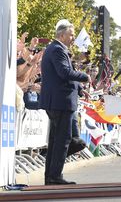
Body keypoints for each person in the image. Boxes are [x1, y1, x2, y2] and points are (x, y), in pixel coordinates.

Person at [39, 19, 91, 185]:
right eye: (71, 34)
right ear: (61, 35)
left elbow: (62, 75)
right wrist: (84, 77)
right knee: (62, 140)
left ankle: (51, 176)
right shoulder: (57, 50)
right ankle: (55, 176)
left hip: (59, 101)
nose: (73, 37)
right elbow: (64, 72)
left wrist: (79, 89)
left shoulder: (57, 49)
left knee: (56, 141)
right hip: (60, 102)